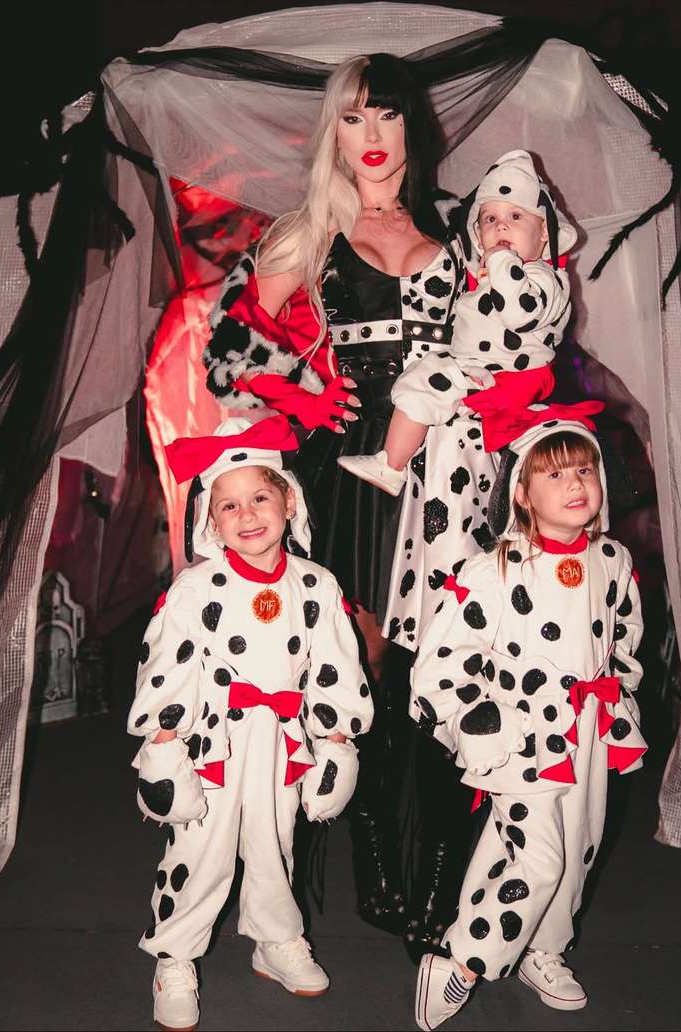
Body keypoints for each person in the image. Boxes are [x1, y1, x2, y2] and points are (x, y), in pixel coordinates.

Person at [202, 53, 487, 959]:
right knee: (363, 670)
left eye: (387, 116)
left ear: (412, 126)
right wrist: (300, 394)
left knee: (448, 671)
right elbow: (226, 352)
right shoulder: (308, 232)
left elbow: (518, 331)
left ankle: (439, 882)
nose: (371, 136)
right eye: (354, 118)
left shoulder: (463, 224)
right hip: (352, 472)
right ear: (335, 130)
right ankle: (378, 870)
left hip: (453, 471)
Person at [128, 414, 373, 1032]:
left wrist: (336, 742)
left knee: (276, 846)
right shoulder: (195, 588)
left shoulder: (316, 586)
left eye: (260, 498)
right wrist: (163, 750)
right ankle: (174, 957)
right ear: (210, 521)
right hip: (212, 744)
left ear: (289, 501)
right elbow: (168, 669)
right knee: (200, 851)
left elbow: (336, 667)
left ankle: (276, 938)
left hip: (281, 744)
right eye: (229, 505)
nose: (247, 515)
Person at [409, 407, 648, 1031]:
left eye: (584, 470)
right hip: (520, 736)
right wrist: (477, 725)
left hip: (588, 729)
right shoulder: (493, 569)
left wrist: (618, 698)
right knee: (538, 859)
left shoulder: (613, 559)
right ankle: (463, 962)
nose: (575, 484)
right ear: (521, 492)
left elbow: (624, 636)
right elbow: (441, 662)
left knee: (574, 846)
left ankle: (544, 948)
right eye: (555, 474)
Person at [337, 149, 577, 495]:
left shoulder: (546, 278)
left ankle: (392, 466)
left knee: (426, 384)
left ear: (544, 233)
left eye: (515, 216)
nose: (501, 225)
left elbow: (519, 312)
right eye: (489, 219)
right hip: (478, 367)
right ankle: (391, 463)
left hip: (509, 375)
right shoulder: (489, 275)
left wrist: (501, 260)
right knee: (419, 382)